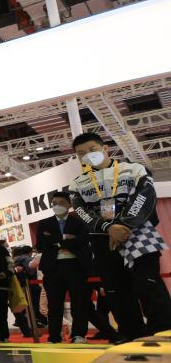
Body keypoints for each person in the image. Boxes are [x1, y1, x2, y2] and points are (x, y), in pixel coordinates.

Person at [70, 132, 171, 338]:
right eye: (81, 153)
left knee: (148, 283)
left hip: (138, 233)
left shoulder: (134, 169)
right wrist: (108, 228)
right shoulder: (77, 184)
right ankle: (131, 335)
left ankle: (163, 331)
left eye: (92, 149)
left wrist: (123, 225)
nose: (87, 155)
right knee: (116, 290)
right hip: (102, 239)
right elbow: (82, 212)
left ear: (105, 148)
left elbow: (144, 197)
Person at [35, 191, 95, 343]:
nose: (57, 206)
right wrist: (65, 238)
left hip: (76, 266)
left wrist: (55, 241)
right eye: (54, 203)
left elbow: (82, 241)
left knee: (79, 303)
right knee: (54, 305)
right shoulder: (44, 223)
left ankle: (78, 334)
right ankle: (54, 336)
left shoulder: (79, 222)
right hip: (53, 268)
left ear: (69, 204)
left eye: (61, 203)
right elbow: (41, 245)